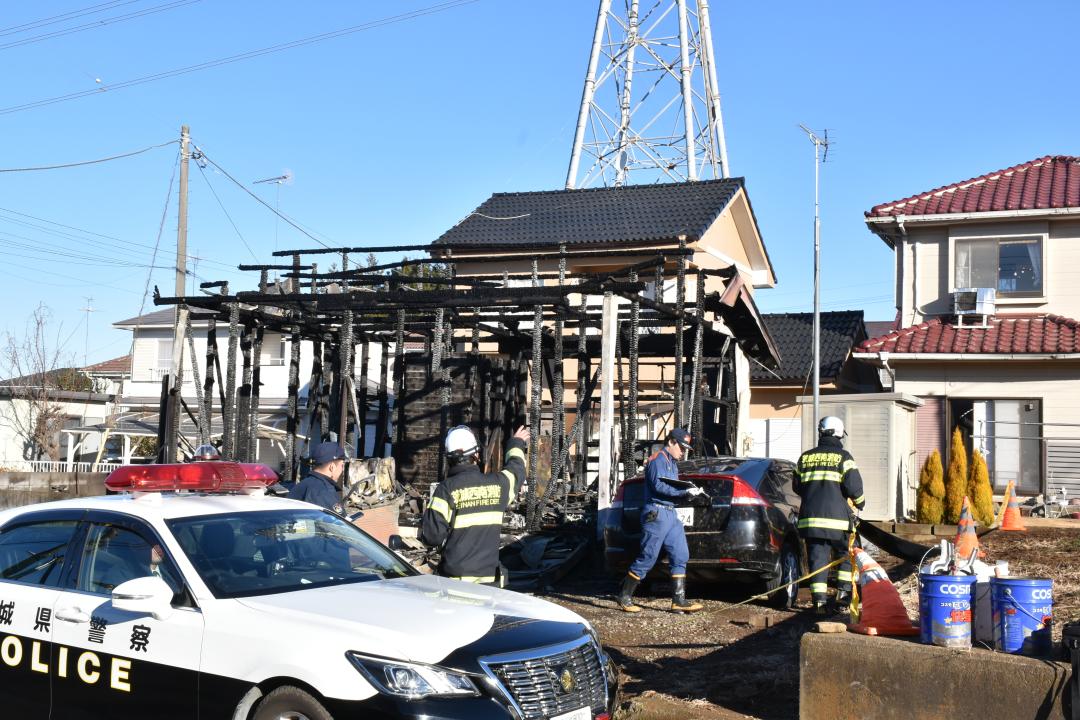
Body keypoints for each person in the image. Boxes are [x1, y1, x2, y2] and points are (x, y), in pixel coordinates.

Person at [419, 425, 530, 585]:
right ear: (476, 454)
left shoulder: (445, 490)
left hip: (455, 582)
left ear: (449, 458)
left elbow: (432, 537)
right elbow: (517, 470)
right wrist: (516, 444)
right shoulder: (499, 485)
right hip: (489, 583)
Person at [617, 428, 706, 614]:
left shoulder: (672, 463)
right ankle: (624, 597)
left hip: (670, 513)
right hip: (656, 513)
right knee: (648, 557)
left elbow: (671, 486)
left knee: (680, 554)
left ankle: (678, 601)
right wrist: (684, 493)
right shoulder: (658, 460)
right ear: (671, 442)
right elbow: (658, 486)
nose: (683, 452)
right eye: (681, 447)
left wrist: (692, 493)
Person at [794, 416, 865, 615]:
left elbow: (797, 486)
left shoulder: (805, 458)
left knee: (818, 562)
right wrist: (860, 503)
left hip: (811, 521)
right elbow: (854, 487)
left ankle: (819, 604)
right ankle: (842, 597)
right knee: (843, 557)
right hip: (838, 522)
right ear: (839, 433)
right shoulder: (844, 457)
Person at [288, 441, 348, 514]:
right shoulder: (324, 491)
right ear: (332, 467)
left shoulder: (305, 483)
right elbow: (338, 522)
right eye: (342, 465)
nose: (342, 469)